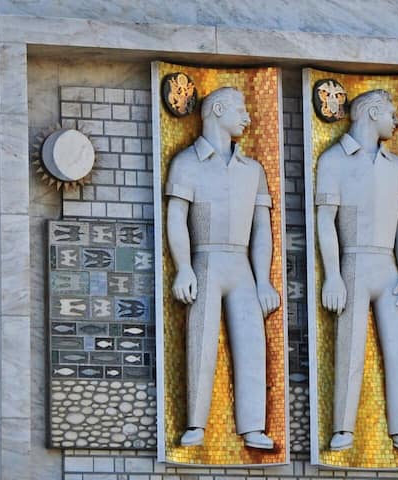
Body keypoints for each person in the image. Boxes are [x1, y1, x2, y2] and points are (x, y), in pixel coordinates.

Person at [164, 86, 279, 450]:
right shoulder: (187, 163)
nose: (247, 117)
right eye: (239, 110)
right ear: (216, 111)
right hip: (206, 260)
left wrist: (264, 281)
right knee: (201, 341)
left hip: (241, 264)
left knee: (252, 343)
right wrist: (184, 267)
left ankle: (253, 426)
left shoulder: (252, 170)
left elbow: (262, 230)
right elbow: (176, 218)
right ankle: (195, 423)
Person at [314, 89, 398, 453]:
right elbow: (325, 221)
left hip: (389, 265)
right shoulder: (333, 160)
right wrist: (332, 274)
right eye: (391, 113)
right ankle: (343, 428)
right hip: (353, 262)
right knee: (350, 347)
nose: (397, 121)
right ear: (373, 113)